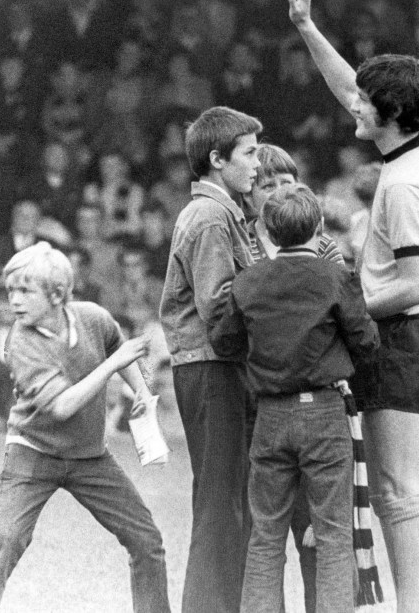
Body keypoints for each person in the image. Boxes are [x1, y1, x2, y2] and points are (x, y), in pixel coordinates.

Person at [289, 0, 419, 613]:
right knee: (391, 490)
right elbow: (350, 88)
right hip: (396, 331)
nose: (353, 105)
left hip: (402, 334)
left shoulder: (407, 185)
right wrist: (307, 27)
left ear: (389, 114)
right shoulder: (413, 151)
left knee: (399, 491)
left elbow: (411, 284)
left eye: (365, 103)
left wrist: (340, 305)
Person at [0, 242, 170, 612]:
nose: (14, 300)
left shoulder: (92, 317)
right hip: (33, 455)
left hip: (89, 457)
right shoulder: (21, 342)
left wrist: (140, 392)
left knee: (146, 540)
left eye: (25, 291)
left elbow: (118, 347)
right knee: (6, 541)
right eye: (10, 291)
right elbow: (61, 407)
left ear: (57, 295)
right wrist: (110, 366)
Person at [210, 183, 380, 613]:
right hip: (323, 412)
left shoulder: (248, 282)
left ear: (268, 230)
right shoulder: (336, 278)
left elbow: (225, 341)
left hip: (270, 414)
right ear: (319, 227)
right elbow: (367, 343)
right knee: (332, 535)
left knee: (266, 536)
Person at [158, 105, 262, 613]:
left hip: (214, 365)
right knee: (221, 505)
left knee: (230, 502)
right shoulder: (209, 217)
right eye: (249, 153)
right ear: (217, 160)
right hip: (213, 366)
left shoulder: (221, 213)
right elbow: (219, 307)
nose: (258, 164)